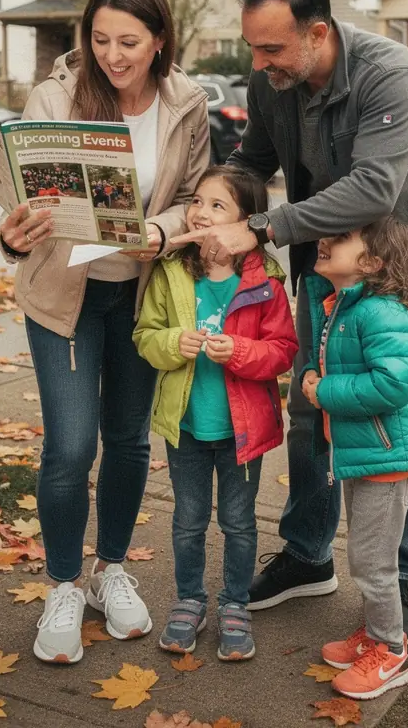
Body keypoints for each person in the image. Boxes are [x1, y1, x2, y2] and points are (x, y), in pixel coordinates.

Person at [170, 0, 408, 645]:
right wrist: (212, 205)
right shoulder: (275, 85)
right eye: (252, 48)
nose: (258, 63)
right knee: (309, 403)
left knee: (399, 412)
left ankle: (405, 571)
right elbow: (253, 161)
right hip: (323, 264)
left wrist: (261, 228)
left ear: (318, 32)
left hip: (396, 271)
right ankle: (307, 553)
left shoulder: (393, 75)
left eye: (271, 49)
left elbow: (372, 191)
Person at [0, 0, 210, 665]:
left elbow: (191, 195)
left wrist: (160, 229)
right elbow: (21, 199)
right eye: (99, 39)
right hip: (65, 296)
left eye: (129, 42)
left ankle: (109, 571)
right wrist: (13, 233)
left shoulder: (188, 102)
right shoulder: (55, 96)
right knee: (69, 447)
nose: (112, 56)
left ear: (159, 41)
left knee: (127, 442)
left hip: (141, 294)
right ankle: (62, 584)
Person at [133, 166, 298, 662]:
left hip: (241, 432)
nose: (201, 212)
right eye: (198, 201)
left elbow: (284, 349)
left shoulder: (266, 281)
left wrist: (241, 353)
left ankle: (233, 603)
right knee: (187, 520)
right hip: (185, 427)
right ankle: (189, 600)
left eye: (218, 206)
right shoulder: (172, 272)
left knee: (238, 521)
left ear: (245, 222)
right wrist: (171, 343)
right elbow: (146, 336)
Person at [301, 218, 408, 700]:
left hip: (388, 456)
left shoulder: (381, 312)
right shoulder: (347, 305)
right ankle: (379, 630)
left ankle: (390, 652)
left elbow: (393, 385)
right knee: (367, 553)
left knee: (372, 562)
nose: (324, 240)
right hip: (369, 454)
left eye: (339, 238)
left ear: (372, 263)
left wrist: (325, 391)